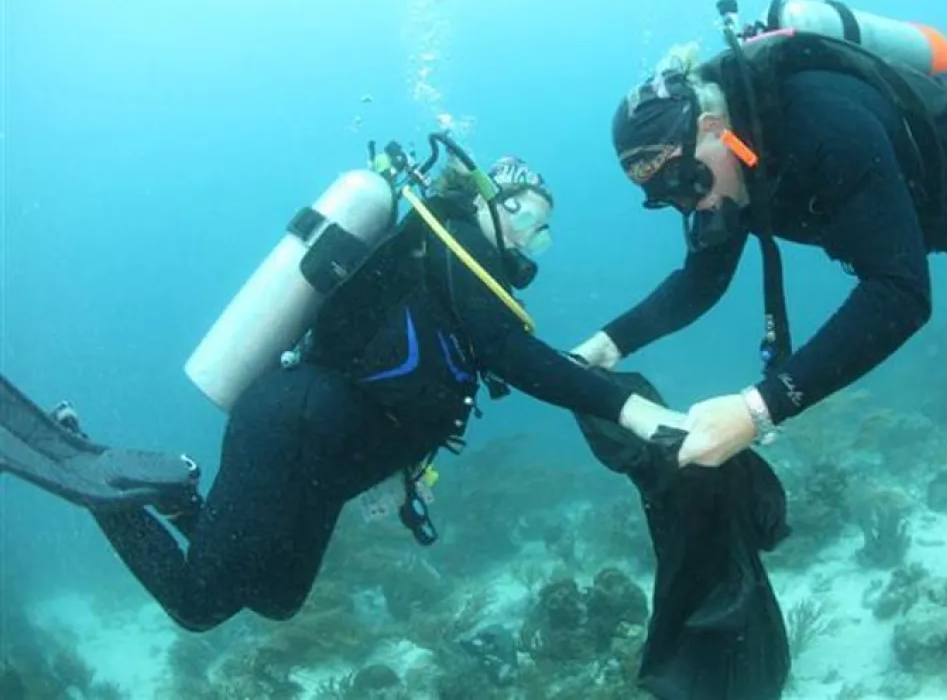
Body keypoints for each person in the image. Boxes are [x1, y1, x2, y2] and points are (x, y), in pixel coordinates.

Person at [1, 139, 683, 633]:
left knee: (276, 599)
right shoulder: (448, 252)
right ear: (487, 201)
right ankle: (102, 477)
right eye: (530, 221)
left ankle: (181, 499)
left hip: (319, 464)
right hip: (288, 433)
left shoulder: (454, 273)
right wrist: (632, 409)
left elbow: (422, 387)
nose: (535, 242)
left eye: (544, 233)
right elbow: (522, 359)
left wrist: (401, 479)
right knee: (199, 602)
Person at [572, 0, 947, 471]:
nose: (691, 204)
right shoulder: (726, 170)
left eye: (687, 181)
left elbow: (901, 293)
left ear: (712, 126)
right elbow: (700, 281)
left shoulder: (822, 126)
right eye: (666, 197)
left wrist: (758, 410)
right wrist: (601, 349)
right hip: (911, 194)